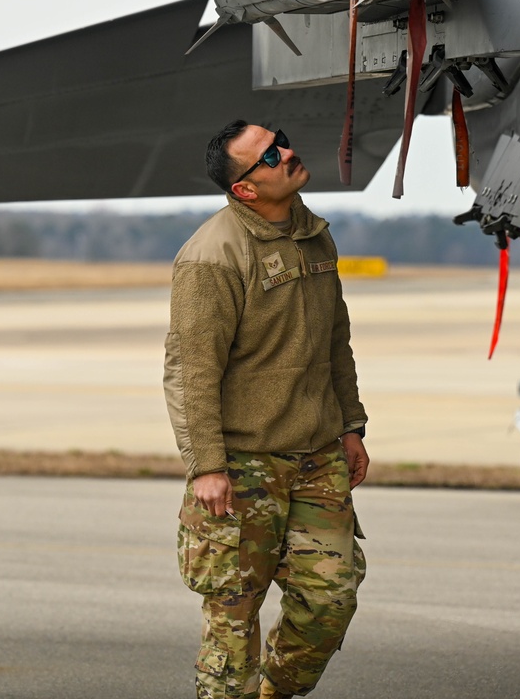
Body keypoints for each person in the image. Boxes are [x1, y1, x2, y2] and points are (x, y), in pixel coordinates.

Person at [164, 120, 370, 699]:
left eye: (281, 139)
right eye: (270, 154)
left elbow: (335, 343)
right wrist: (206, 464)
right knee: (232, 626)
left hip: (318, 457)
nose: (288, 153)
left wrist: (351, 425)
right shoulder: (211, 256)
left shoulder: (314, 237)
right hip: (242, 467)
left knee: (330, 601)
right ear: (246, 189)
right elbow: (191, 371)